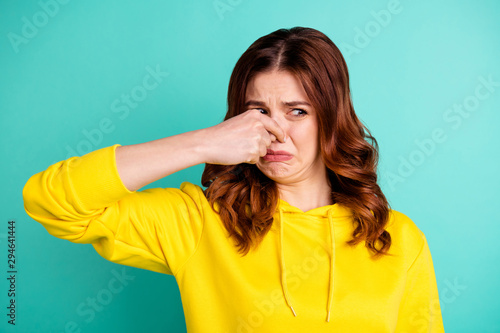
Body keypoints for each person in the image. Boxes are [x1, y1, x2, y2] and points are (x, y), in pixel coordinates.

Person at [23, 27, 444, 332]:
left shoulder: (400, 240)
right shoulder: (199, 223)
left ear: (331, 120)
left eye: (297, 111)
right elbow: (52, 201)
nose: (276, 130)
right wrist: (201, 144)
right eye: (259, 112)